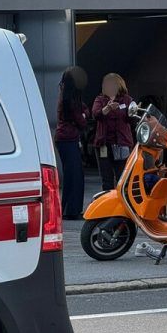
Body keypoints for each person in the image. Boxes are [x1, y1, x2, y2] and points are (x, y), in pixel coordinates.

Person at [55, 66, 90, 220]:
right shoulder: (71, 100)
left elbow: (83, 113)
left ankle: (69, 209)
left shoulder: (65, 96)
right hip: (68, 139)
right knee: (75, 175)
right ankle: (71, 210)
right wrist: (84, 115)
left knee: (71, 175)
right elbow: (82, 121)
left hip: (65, 139)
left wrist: (83, 114)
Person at [92, 73, 134, 191]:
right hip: (104, 144)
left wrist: (133, 112)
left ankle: (122, 201)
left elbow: (132, 119)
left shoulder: (127, 99)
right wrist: (108, 108)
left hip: (122, 144)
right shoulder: (100, 99)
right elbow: (96, 114)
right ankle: (108, 200)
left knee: (123, 178)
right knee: (107, 179)